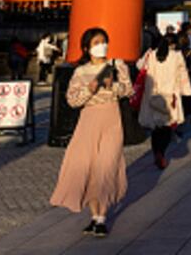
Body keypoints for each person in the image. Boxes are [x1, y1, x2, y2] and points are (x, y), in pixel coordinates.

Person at [50, 28, 133, 238]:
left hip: (111, 120)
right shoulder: (80, 72)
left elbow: (128, 90)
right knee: (88, 167)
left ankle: (102, 218)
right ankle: (94, 215)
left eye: (104, 41)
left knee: (106, 166)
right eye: (97, 42)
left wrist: (112, 86)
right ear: (87, 47)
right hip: (88, 121)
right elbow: (72, 100)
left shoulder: (118, 65)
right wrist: (91, 88)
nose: (101, 45)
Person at [138, 34, 191, 169]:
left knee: (156, 129)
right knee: (167, 128)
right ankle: (161, 152)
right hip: (170, 97)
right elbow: (182, 74)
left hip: (153, 96)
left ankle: (157, 152)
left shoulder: (151, 54)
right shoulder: (176, 56)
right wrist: (187, 91)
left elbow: (139, 66)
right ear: (173, 44)